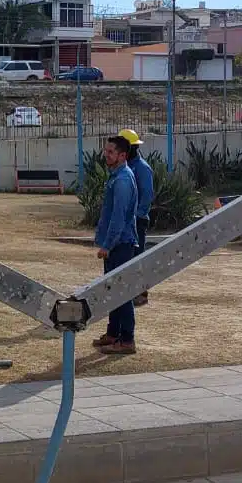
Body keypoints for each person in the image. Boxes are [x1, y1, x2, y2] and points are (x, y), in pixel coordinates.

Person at [92, 134, 140, 355]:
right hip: (116, 244)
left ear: (122, 155)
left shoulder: (122, 180)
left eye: (111, 152)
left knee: (122, 291)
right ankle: (113, 333)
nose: (106, 154)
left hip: (120, 244)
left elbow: (118, 218)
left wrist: (108, 245)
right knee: (113, 290)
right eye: (106, 151)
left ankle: (127, 339)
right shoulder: (116, 176)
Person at [120, 129, 154, 308]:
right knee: (127, 257)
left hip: (137, 220)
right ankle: (129, 291)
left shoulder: (141, 168)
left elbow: (147, 195)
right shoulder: (126, 167)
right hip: (127, 221)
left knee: (137, 256)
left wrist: (136, 215)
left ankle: (141, 293)